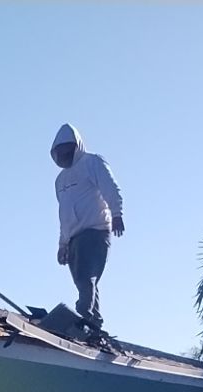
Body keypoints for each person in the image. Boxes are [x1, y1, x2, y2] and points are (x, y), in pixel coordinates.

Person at [50, 123, 124, 330]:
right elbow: (63, 214)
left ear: (76, 146)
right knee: (85, 281)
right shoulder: (60, 180)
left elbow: (110, 187)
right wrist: (63, 244)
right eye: (59, 152)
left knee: (86, 278)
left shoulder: (92, 163)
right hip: (74, 236)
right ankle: (94, 323)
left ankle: (82, 317)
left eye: (66, 150)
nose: (63, 155)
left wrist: (117, 214)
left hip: (95, 230)